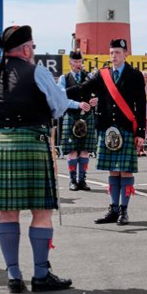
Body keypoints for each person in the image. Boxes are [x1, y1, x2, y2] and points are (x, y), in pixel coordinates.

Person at [0, 25, 73, 293]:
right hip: (31, 143)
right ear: (27, 48)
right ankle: (41, 275)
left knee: (7, 212)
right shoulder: (37, 71)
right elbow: (58, 106)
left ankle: (13, 275)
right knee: (41, 212)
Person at [65, 39, 146, 226]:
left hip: (125, 128)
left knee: (125, 171)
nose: (113, 56)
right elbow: (82, 88)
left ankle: (124, 211)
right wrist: (58, 93)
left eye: (117, 52)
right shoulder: (103, 75)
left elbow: (141, 105)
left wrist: (140, 132)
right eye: (111, 53)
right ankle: (113, 209)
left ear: (126, 53)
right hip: (107, 128)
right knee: (112, 170)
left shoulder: (135, 75)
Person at [56, 49, 97, 191]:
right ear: (70, 62)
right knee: (72, 150)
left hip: (87, 116)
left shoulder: (89, 76)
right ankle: (72, 181)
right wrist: (78, 104)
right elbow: (60, 99)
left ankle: (82, 180)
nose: (78, 64)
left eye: (80, 61)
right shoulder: (64, 78)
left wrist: (95, 100)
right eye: (75, 61)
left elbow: (99, 92)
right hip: (72, 115)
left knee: (85, 150)